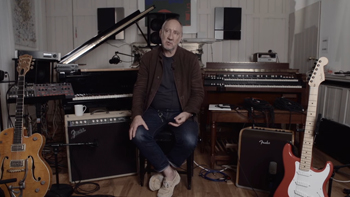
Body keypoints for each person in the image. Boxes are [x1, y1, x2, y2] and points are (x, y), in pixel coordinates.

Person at [129, 18, 204, 197]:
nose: (170, 36)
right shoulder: (148, 58)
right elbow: (139, 89)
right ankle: (170, 174)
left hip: (181, 112)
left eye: (175, 33)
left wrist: (187, 113)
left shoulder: (190, 60)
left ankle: (161, 170)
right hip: (155, 112)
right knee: (137, 133)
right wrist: (137, 115)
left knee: (189, 140)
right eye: (167, 31)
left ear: (180, 38)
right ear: (161, 34)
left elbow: (198, 93)